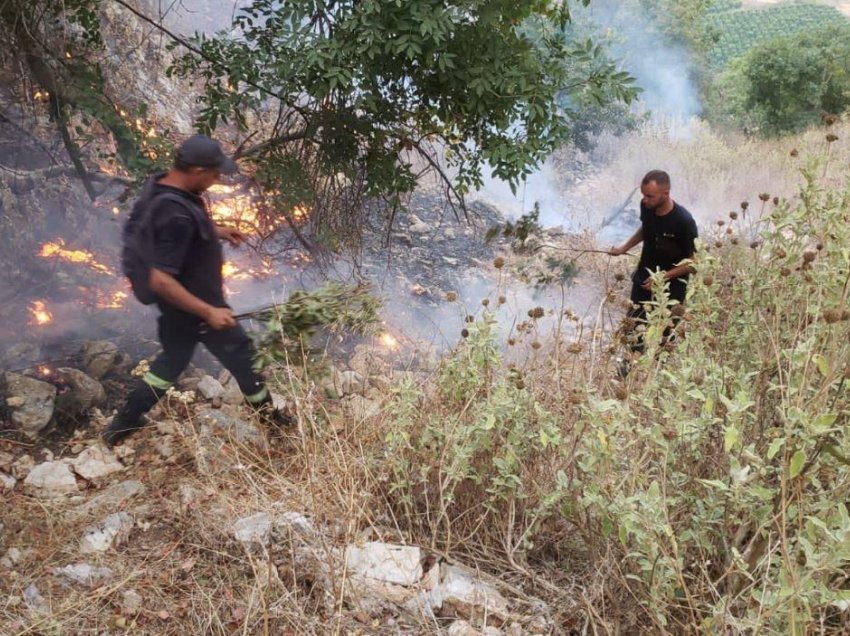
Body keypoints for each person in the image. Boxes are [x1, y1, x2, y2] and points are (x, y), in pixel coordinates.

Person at [102, 134, 289, 446]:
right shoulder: (176, 214)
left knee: (171, 361)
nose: (217, 180)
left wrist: (216, 231)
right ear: (199, 171)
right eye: (215, 174)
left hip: (175, 309)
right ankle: (274, 423)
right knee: (244, 360)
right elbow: (161, 280)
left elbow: (176, 230)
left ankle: (122, 424)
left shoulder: (163, 187)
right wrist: (209, 312)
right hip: (197, 307)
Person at [608, 170, 698, 359]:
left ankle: (655, 379)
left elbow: (693, 263)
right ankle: (628, 374)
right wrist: (624, 248)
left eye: (650, 196)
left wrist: (662, 277)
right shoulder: (646, 206)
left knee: (665, 337)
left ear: (665, 194)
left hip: (671, 289)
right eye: (643, 195)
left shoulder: (684, 221)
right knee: (633, 329)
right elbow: (645, 229)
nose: (645, 200)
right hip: (643, 279)